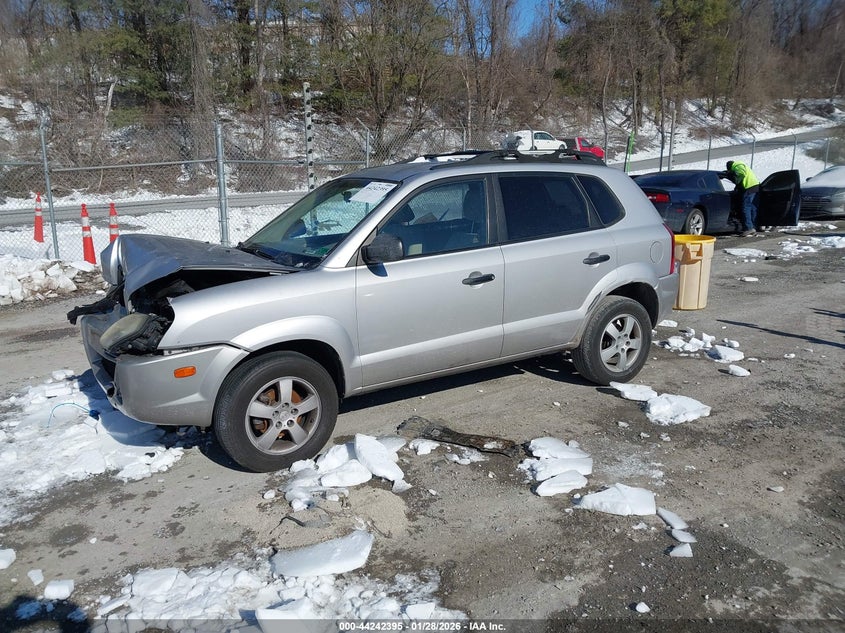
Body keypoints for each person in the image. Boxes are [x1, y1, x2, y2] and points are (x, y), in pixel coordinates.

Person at [718, 160, 760, 236]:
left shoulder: (738, 167)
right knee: (753, 208)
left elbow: (739, 177)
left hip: (749, 188)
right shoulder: (741, 165)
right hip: (755, 187)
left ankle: (749, 228)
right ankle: (754, 227)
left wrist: (730, 174)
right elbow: (740, 181)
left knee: (746, 208)